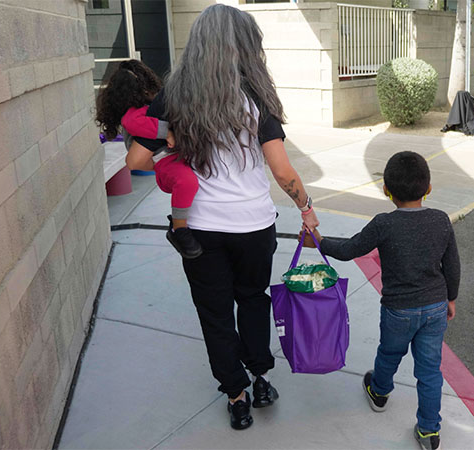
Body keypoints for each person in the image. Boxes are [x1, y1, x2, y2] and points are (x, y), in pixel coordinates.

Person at [124, 4, 320, 430]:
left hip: (199, 230)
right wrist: (306, 207)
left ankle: (236, 396)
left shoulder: (174, 95)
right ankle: (261, 378)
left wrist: (170, 133)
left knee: (214, 312)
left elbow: (137, 160)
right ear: (246, 46)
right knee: (252, 300)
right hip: (254, 226)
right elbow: (282, 170)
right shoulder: (258, 96)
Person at [302, 151, 460, 450]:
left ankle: (380, 390)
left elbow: (350, 249)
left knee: (389, 353)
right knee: (429, 370)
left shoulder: (383, 224)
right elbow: (452, 265)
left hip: (398, 310)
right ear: (428, 188)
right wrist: (451, 298)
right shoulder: (440, 220)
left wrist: (320, 242)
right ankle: (429, 430)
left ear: (386, 190)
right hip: (435, 307)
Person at [95, 60, 203, 259]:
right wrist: (167, 132)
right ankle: (179, 230)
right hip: (164, 159)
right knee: (187, 182)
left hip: (170, 157)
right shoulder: (135, 112)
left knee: (191, 183)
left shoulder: (154, 106)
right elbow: (133, 123)